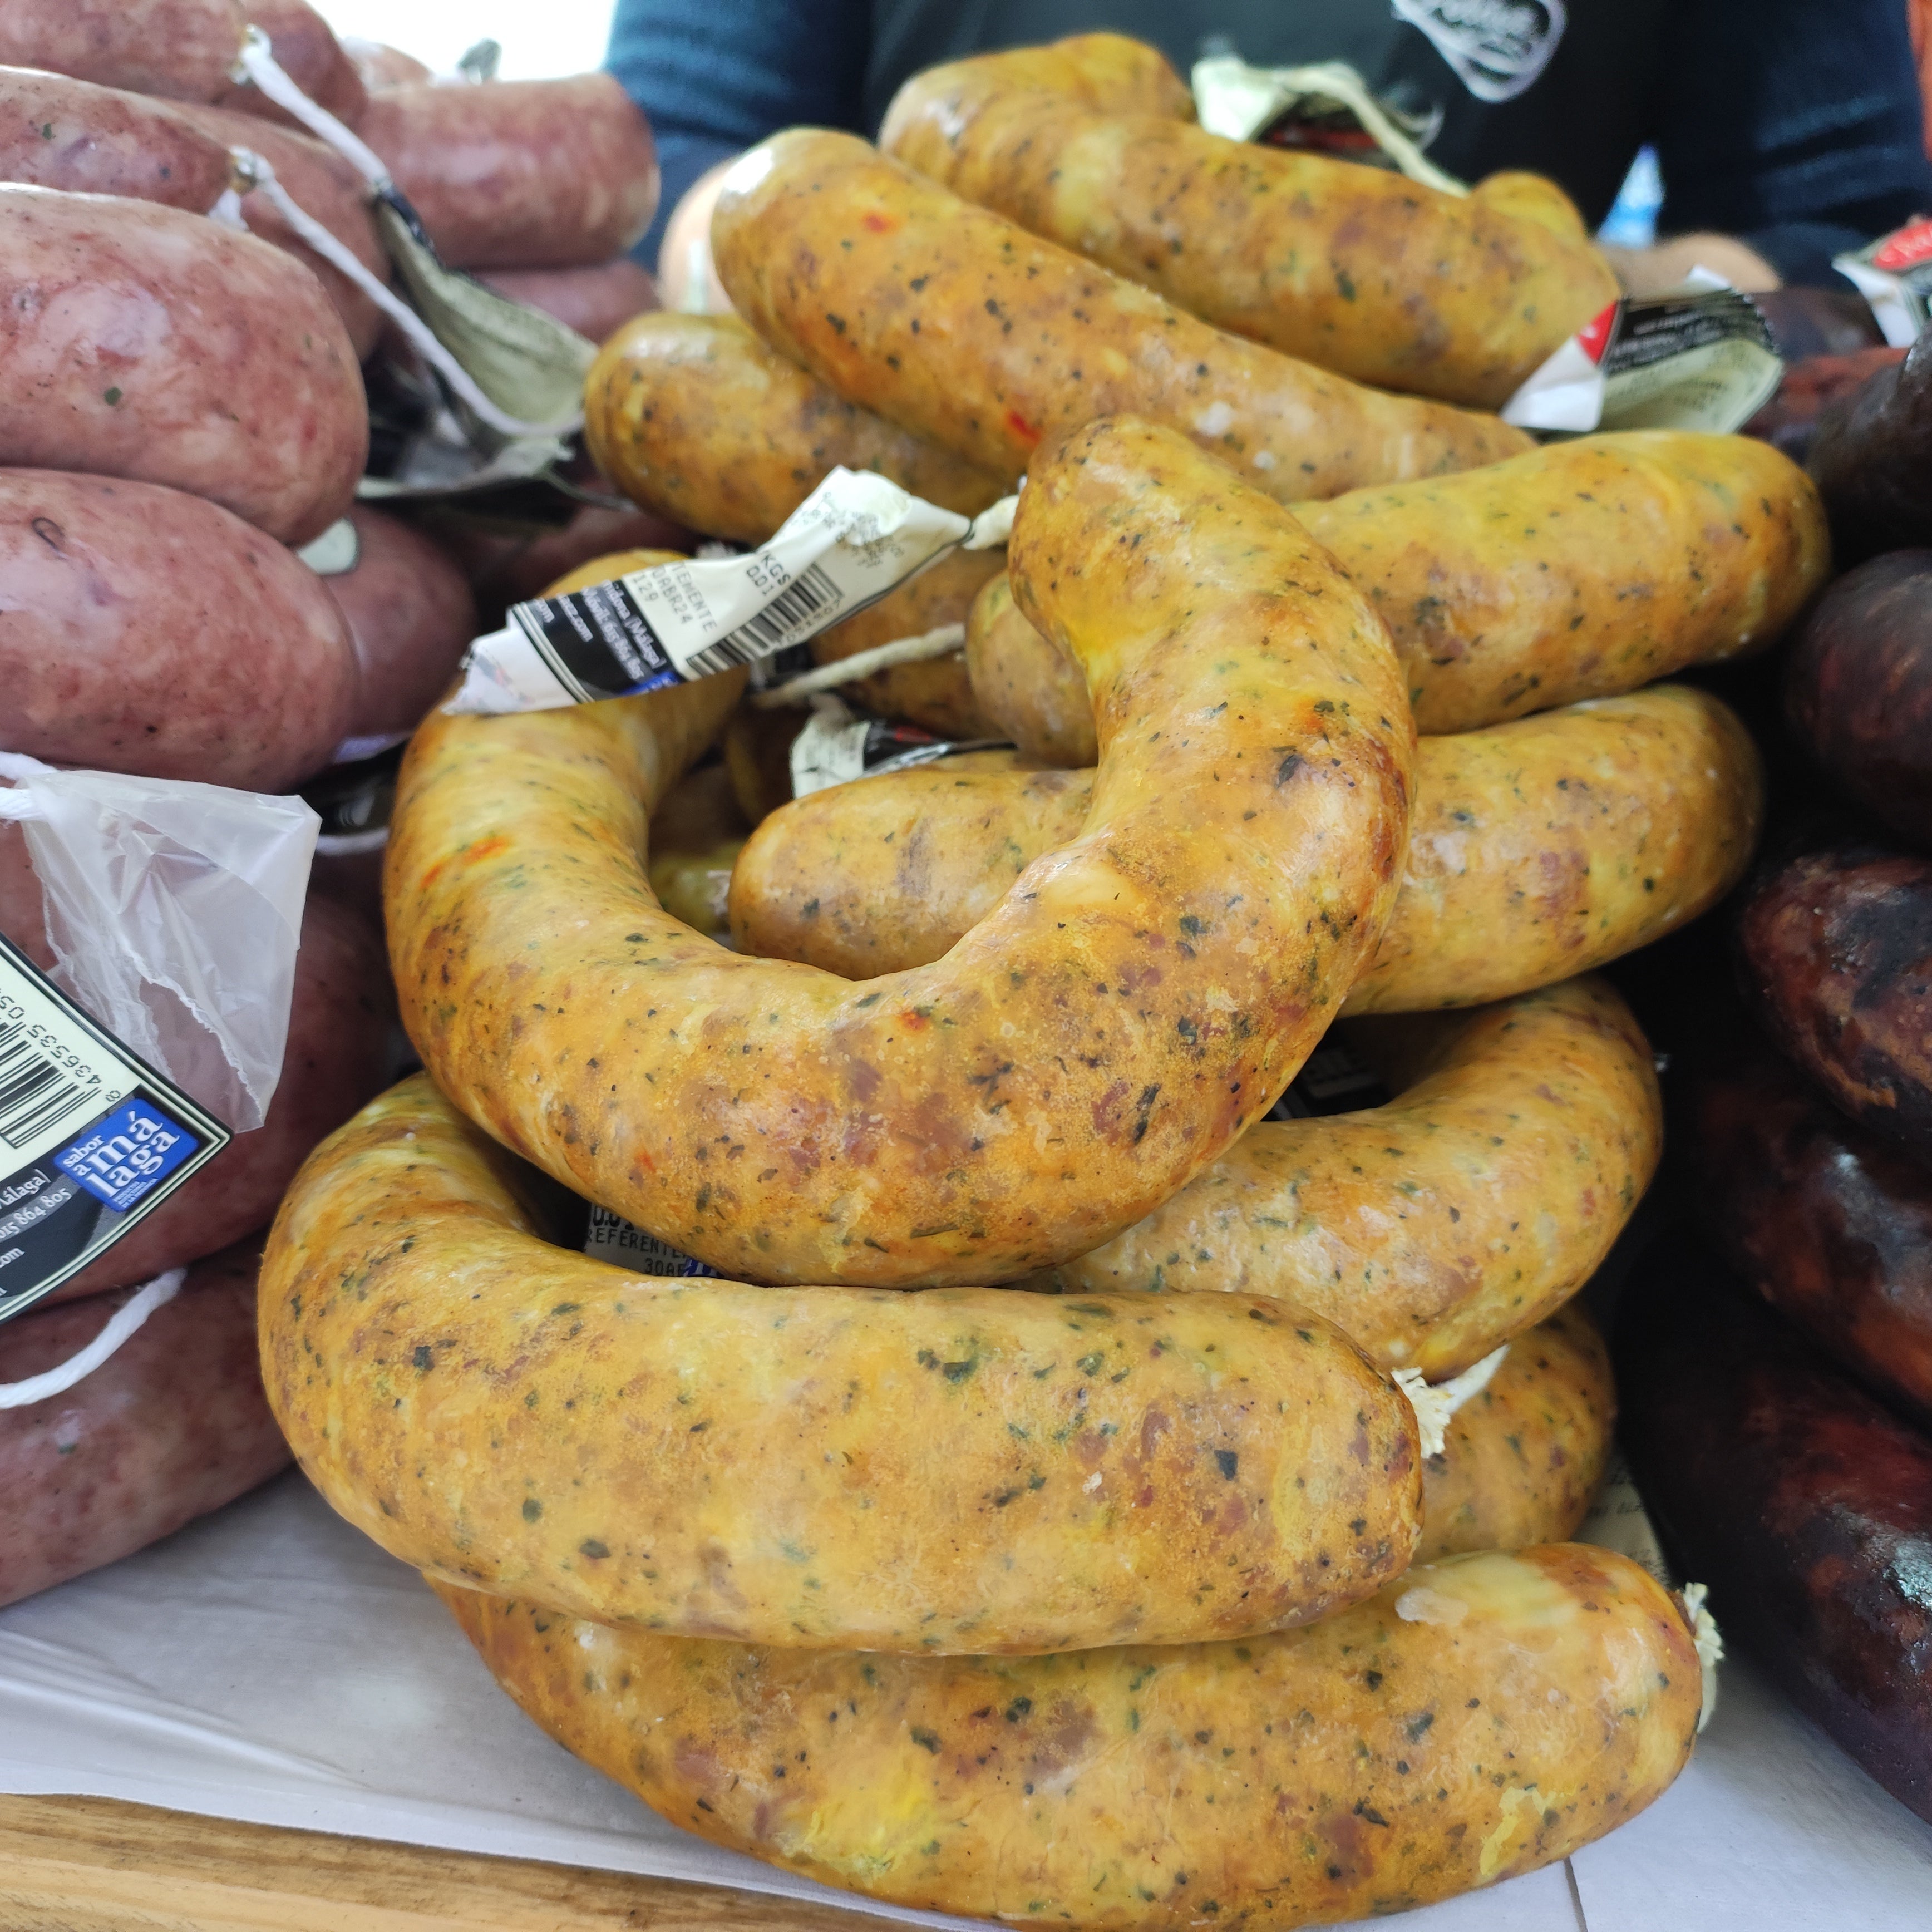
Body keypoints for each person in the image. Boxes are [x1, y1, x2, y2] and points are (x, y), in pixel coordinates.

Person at [607, 0, 1932, 301]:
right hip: (867, 551)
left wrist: (1484, 295)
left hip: (1493, 554)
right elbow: (659, 158)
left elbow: (1855, 239)